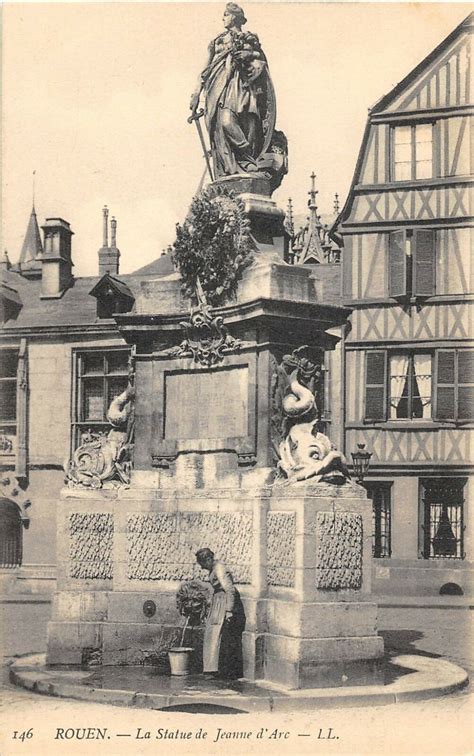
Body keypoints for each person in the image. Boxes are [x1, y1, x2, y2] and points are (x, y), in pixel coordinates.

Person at [189, 3, 275, 178]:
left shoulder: (247, 38)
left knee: (235, 122)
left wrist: (249, 55)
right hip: (216, 89)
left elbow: (261, 59)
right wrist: (197, 93)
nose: (223, 18)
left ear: (235, 17)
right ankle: (230, 169)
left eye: (226, 15)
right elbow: (205, 70)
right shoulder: (216, 41)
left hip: (239, 86)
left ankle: (248, 160)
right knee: (220, 127)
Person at [195, 547, 245, 679]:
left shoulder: (220, 569)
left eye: (202, 564)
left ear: (207, 559)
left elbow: (230, 590)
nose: (201, 568)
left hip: (223, 604)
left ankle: (215, 670)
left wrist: (229, 610)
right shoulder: (214, 568)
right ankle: (211, 668)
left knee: (217, 635)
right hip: (218, 603)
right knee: (212, 634)